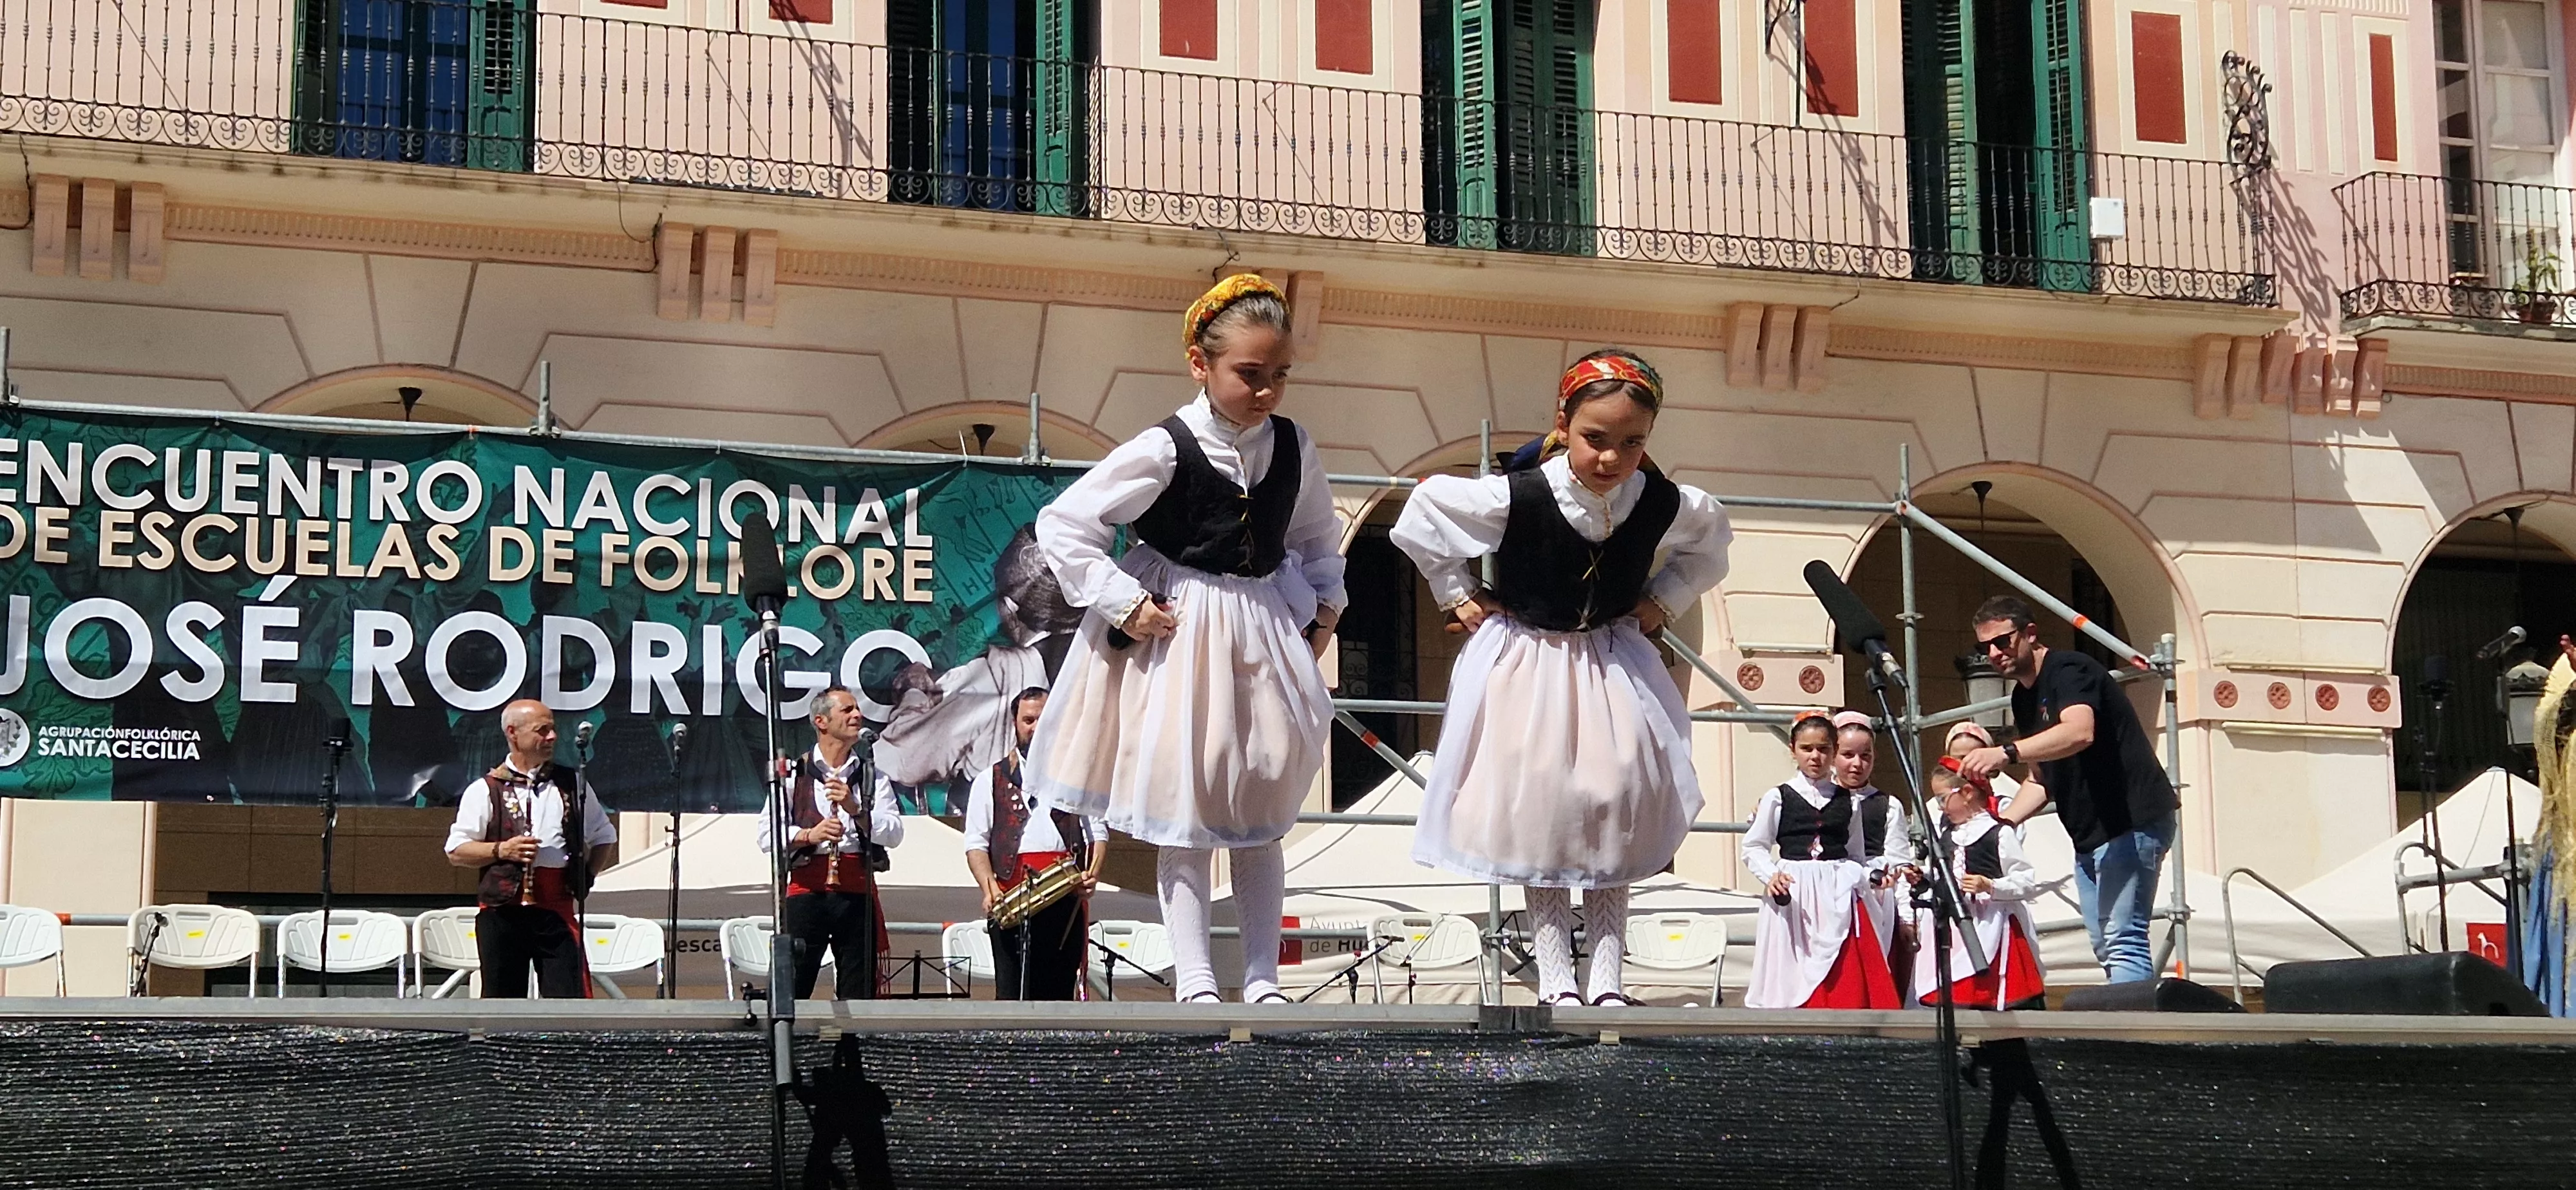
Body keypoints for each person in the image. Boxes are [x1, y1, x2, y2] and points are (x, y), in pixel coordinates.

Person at [1022, 273, 1346, 1004]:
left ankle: (1262, 979)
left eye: (1279, 376)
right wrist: (1125, 601)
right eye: (1250, 375)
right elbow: (1067, 524)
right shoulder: (1165, 447)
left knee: (1262, 804)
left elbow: (1318, 537)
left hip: (1263, 629)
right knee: (1187, 805)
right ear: (1201, 365)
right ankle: (1197, 979)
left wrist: (1325, 608)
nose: (1266, 392)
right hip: (1185, 632)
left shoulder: (1294, 446)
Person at [1393, 348, 1733, 1006]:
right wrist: (1456, 592)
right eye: (1595, 440)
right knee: (1542, 815)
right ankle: (1555, 980)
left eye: (1631, 443)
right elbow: (1423, 516)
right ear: (1563, 423)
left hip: (1609, 660)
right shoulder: (1520, 493)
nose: (1610, 458)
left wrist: (1663, 600)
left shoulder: (1660, 501)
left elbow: (1711, 541)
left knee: (1613, 806)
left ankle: (1605, 979)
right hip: (1530, 659)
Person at [1955, 594, 2179, 984]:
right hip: (2090, 835)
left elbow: (2079, 732)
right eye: (1984, 646)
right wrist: (1999, 824)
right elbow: (2040, 779)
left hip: (2130, 820)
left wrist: (2006, 752)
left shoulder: (2070, 669)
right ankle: (2132, 1026)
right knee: (2105, 944)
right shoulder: (2023, 698)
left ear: (2029, 634)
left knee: (2123, 938)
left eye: (2002, 641)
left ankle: (2139, 1038)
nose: (1993, 653)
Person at [443, 699, 615, 999]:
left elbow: (604, 836)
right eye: (542, 730)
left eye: (553, 730)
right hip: (502, 914)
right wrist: (502, 850)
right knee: (502, 1002)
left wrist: (585, 876)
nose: (552, 737)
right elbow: (456, 851)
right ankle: (503, 1047)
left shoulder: (572, 784)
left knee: (568, 1000)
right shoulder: (486, 789)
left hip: (555, 908)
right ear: (513, 733)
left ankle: (562, 1046)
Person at [1742, 712, 1901, 1008]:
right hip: (1796, 890)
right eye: (1807, 749)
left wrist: (1875, 877)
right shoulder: (1779, 797)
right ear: (1794, 750)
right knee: (1795, 965)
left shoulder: (1848, 801)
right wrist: (1771, 875)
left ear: (1833, 751)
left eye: (1823, 749)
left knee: (1845, 964)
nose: (1815, 756)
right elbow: (1753, 846)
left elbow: (1856, 854)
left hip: (1838, 890)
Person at [761, 684, 905, 1001]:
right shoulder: (794, 774)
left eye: (857, 709)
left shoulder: (873, 776)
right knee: (792, 984)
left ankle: (852, 1051)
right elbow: (766, 834)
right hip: (806, 889)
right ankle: (786, 1048)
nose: (858, 715)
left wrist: (856, 809)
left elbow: (894, 833)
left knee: (859, 988)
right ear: (821, 722)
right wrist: (809, 835)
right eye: (848, 710)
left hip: (857, 891)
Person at [965, 688, 1108, 1001]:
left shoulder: (1076, 779)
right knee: (1011, 990)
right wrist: (989, 887)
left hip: (1064, 900)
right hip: (1012, 899)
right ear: (1015, 723)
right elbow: (976, 842)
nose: (1035, 727)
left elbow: (1097, 832)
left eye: (1043, 720)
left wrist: (1091, 875)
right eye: (1028, 720)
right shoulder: (989, 779)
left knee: (1058, 994)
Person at [1908, 764, 2046, 1010]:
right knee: (1956, 993)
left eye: (1943, 798)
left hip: (1990, 923)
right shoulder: (1948, 837)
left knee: (1990, 992)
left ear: (1967, 792)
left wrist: (1990, 885)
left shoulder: (1998, 833)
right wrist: (1924, 879)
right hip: (1955, 925)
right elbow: (1947, 875)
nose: (1940, 807)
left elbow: (2026, 880)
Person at [1832, 712, 1917, 981]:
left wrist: (1905, 918)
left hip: (1875, 901)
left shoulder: (1888, 805)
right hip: (1829, 896)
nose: (1857, 764)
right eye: (1848, 755)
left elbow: (1899, 863)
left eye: (1865, 756)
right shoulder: (1816, 799)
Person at [1944, 721, 2025, 827]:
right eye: (1960, 759)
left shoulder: (2007, 805)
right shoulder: (1935, 811)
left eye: (1975, 758)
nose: (1967, 765)